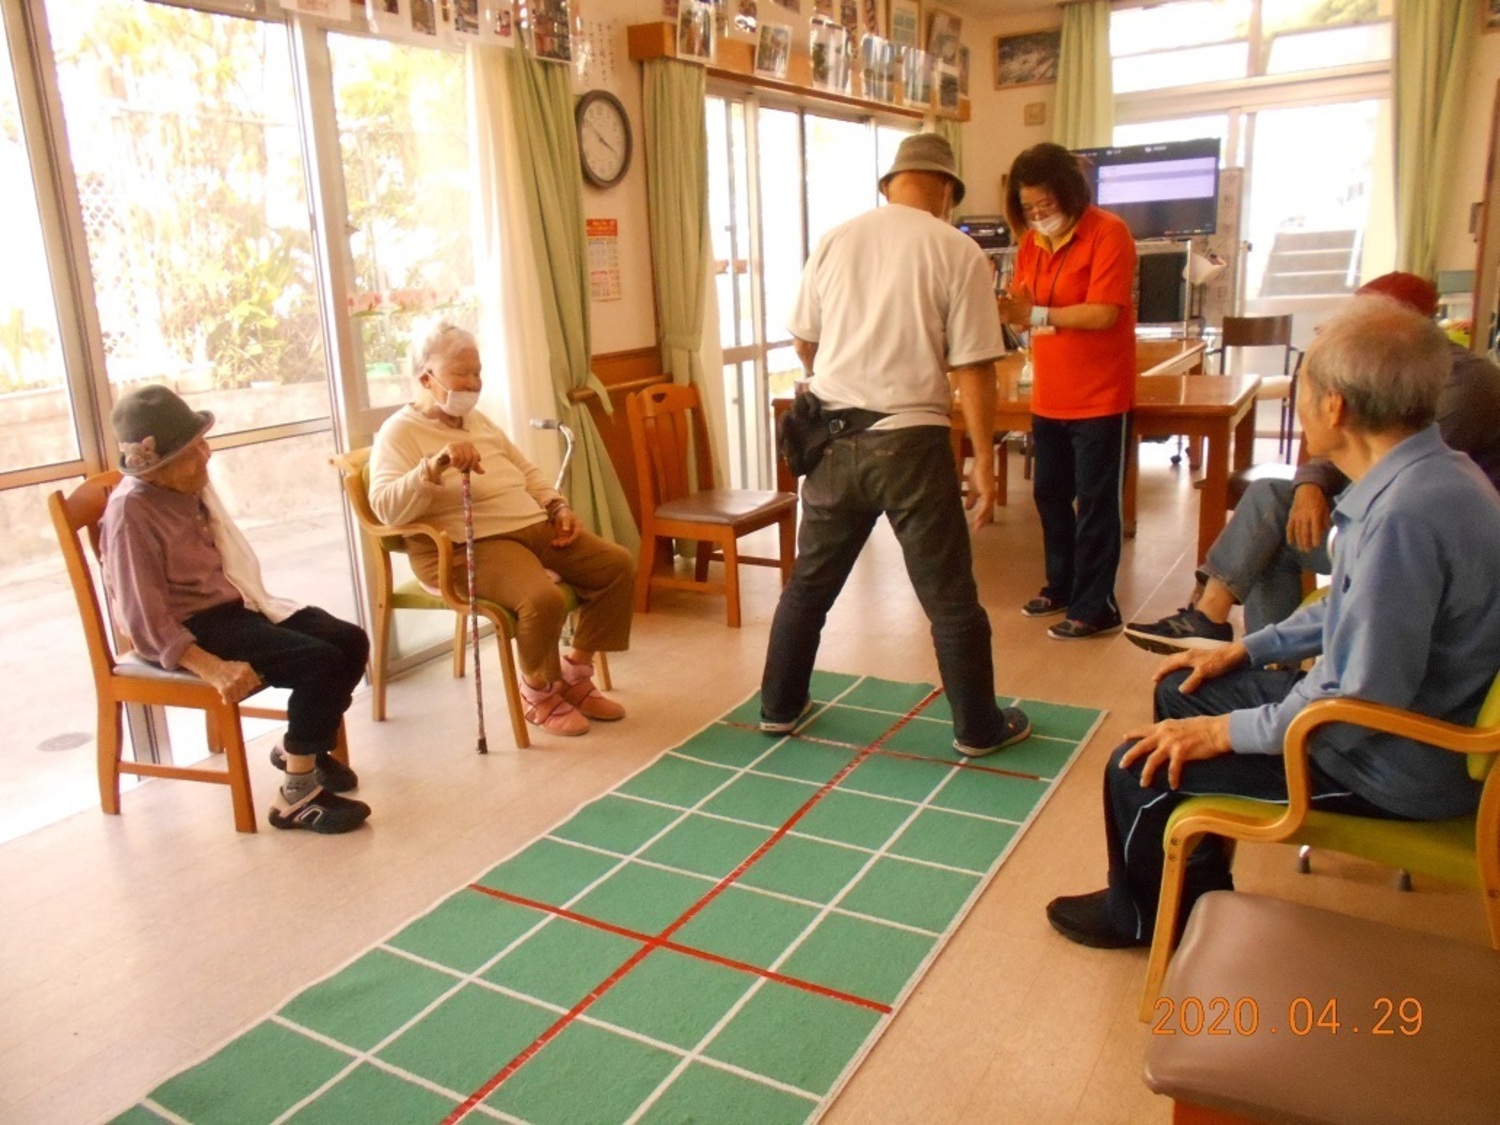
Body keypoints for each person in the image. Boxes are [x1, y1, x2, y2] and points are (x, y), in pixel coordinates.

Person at [1046, 295, 1500, 948]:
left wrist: (1224, 732)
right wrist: (1247, 650)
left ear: (1335, 406)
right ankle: (1197, 891)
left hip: (1391, 764)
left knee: (1133, 765)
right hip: (1391, 725)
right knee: (1184, 687)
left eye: (1303, 386)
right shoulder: (1428, 476)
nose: (1299, 402)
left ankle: (1140, 919)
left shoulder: (1405, 517)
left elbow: (1359, 701)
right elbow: (1352, 609)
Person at [758, 132, 1031, 758]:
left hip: (832, 441)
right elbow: (973, 368)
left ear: (888, 185)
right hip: (912, 443)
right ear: (948, 191)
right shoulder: (957, 250)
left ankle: (779, 707)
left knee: (809, 586)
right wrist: (984, 462)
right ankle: (977, 727)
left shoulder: (837, 238)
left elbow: (803, 341)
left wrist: (842, 372)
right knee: (949, 598)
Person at [1125, 271, 1500, 654]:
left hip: (1427, 552)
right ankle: (1245, 648)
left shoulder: (1464, 387)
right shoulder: (1404, 373)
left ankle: (1234, 641)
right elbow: (1361, 443)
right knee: (1275, 507)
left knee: (1274, 522)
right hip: (1396, 527)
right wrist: (1309, 485)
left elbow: (1387, 475)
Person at [100, 386, 372, 834]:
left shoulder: (186, 486)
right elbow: (141, 617)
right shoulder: (131, 513)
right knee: (318, 662)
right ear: (157, 468)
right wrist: (211, 667)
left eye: (202, 443)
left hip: (234, 603)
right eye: (191, 451)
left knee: (349, 640)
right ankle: (295, 797)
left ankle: (298, 749)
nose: (205, 456)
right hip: (190, 628)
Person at [369, 322, 632, 738]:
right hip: (468, 544)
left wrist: (557, 505)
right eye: (461, 373)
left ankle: (574, 673)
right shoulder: (399, 431)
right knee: (541, 600)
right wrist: (435, 465)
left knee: (616, 566)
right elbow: (385, 507)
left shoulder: (477, 420)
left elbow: (525, 469)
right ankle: (539, 691)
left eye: (477, 372)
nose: (473, 382)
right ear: (426, 378)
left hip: (531, 525)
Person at [997, 143, 1138, 640]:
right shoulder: (1031, 244)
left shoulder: (1108, 232)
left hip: (1101, 395)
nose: (1038, 215)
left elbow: (1103, 313)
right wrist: (1012, 311)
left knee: (1096, 505)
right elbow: (1026, 309)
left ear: (1070, 193)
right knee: (1049, 497)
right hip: (1049, 394)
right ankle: (1061, 586)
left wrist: (1035, 313)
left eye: (1046, 205)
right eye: (1028, 207)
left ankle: (1097, 606)